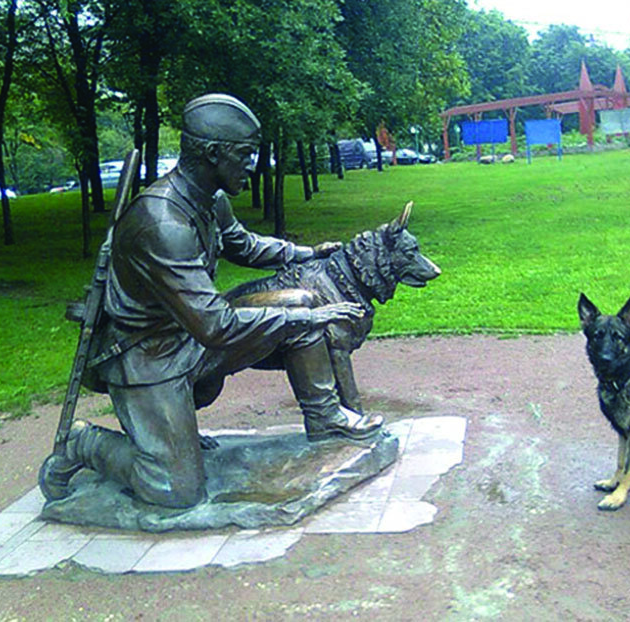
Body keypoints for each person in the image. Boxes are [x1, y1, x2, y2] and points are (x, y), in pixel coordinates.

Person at [39, 93, 383, 509]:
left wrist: (306, 254)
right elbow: (216, 326)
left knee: (301, 303)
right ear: (213, 154)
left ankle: (326, 418)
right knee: (174, 490)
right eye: (245, 154)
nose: (251, 164)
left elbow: (244, 245)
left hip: (194, 335)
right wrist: (304, 319)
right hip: (150, 357)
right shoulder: (162, 222)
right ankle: (85, 442)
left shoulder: (210, 200)